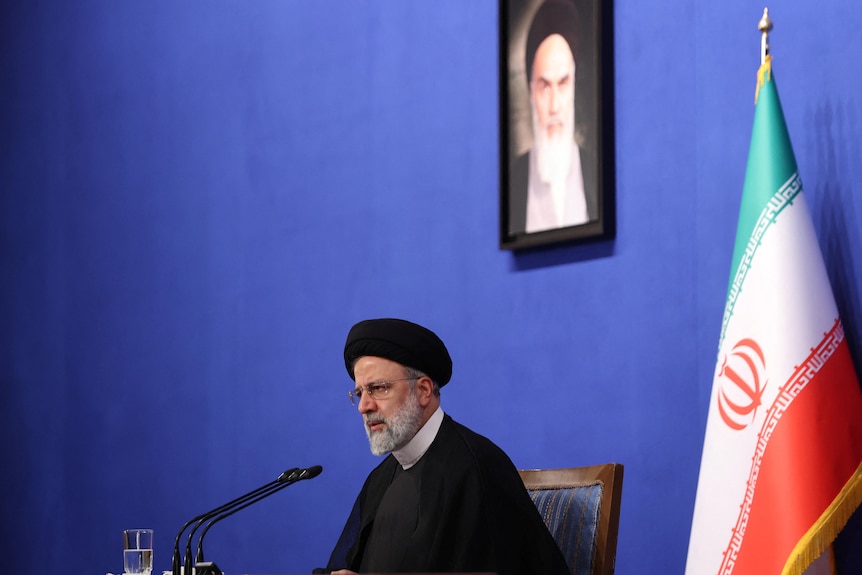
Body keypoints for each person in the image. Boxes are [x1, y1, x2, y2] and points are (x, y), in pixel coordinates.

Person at [319, 318, 569, 575]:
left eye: (378, 388)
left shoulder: (475, 468)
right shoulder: (381, 479)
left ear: (424, 390)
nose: (364, 406)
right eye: (360, 393)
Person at [510, 0, 597, 235]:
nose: (555, 106)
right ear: (531, 92)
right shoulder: (513, 182)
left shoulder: (596, 172)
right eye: (545, 87)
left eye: (563, 84)